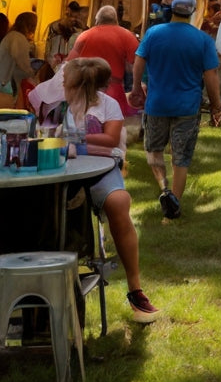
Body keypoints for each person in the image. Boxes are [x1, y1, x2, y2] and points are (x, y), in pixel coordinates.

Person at [60, 58, 159, 322]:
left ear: (82, 86)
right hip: (67, 173)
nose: (61, 84)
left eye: (66, 81)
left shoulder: (108, 105)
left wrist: (73, 141)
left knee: (118, 202)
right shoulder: (63, 105)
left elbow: (111, 140)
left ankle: (135, 289)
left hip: (102, 171)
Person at [129, 0, 221, 220]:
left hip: (157, 103)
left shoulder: (153, 33)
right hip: (187, 107)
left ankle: (164, 188)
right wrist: (216, 107)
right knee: (181, 156)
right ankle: (175, 202)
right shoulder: (203, 40)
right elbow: (211, 77)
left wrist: (136, 88)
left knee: (153, 150)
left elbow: (139, 61)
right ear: (192, 12)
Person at [68, 5, 138, 118]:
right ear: (116, 20)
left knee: (86, 127)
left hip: (87, 90)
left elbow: (70, 64)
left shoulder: (84, 36)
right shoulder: (127, 36)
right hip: (113, 91)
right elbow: (134, 66)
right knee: (114, 127)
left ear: (97, 20)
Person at [0, 11, 39, 108]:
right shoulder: (18, 38)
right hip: (6, 83)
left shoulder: (11, 35)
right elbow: (23, 64)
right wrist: (33, 75)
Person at [44, 1, 85, 69]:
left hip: (67, 65)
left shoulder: (75, 28)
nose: (74, 20)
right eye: (73, 16)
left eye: (77, 17)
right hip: (53, 64)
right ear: (67, 13)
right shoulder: (55, 26)